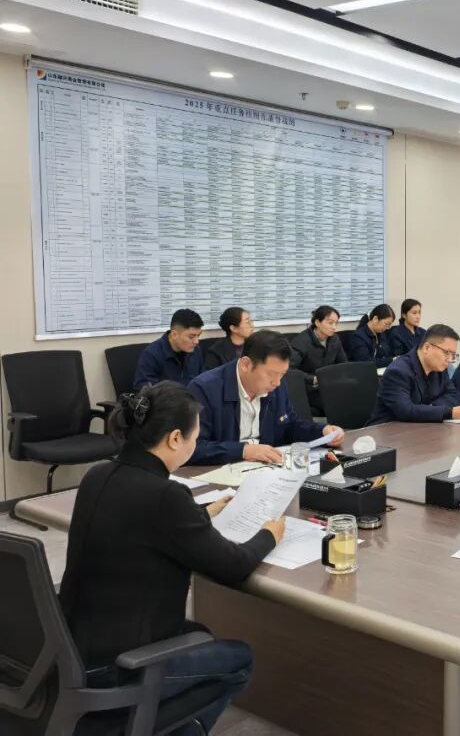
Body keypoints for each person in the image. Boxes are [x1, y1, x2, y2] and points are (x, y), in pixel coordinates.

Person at [58, 383, 285, 735]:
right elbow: (234, 567)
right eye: (196, 435)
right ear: (175, 438)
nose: (196, 442)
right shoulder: (166, 496)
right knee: (239, 658)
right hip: (119, 667)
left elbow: (141, 524)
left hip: (70, 651)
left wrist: (202, 513)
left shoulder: (97, 475)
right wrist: (270, 534)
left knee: (200, 634)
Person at [187, 330, 344, 465]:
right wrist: (244, 451)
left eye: (282, 374)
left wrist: (322, 432)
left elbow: (289, 426)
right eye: (271, 374)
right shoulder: (205, 389)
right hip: (221, 474)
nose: (277, 382)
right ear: (246, 364)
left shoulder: (276, 385)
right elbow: (192, 447)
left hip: (268, 471)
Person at [367, 324, 460, 425]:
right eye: (446, 353)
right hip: (387, 432)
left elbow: (453, 395)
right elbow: (406, 411)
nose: (449, 359)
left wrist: (431, 408)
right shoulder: (398, 371)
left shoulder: (439, 368)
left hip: (421, 429)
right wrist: (449, 412)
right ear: (427, 348)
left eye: (453, 355)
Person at [290, 305, 350, 413]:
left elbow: (343, 363)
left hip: (329, 384)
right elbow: (290, 369)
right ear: (317, 322)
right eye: (330, 323)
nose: (334, 327)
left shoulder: (334, 339)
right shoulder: (301, 341)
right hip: (308, 388)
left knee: (355, 393)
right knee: (337, 402)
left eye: (336, 323)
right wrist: (312, 379)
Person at [134, 308, 205, 389]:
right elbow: (145, 390)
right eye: (191, 337)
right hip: (167, 397)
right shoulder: (151, 354)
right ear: (174, 335)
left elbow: (201, 380)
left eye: (198, 335)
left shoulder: (196, 350)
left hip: (191, 396)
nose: (196, 341)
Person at [203, 307, 255, 371]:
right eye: (247, 322)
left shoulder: (255, 345)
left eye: (251, 321)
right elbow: (210, 375)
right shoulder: (216, 351)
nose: (252, 325)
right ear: (233, 328)